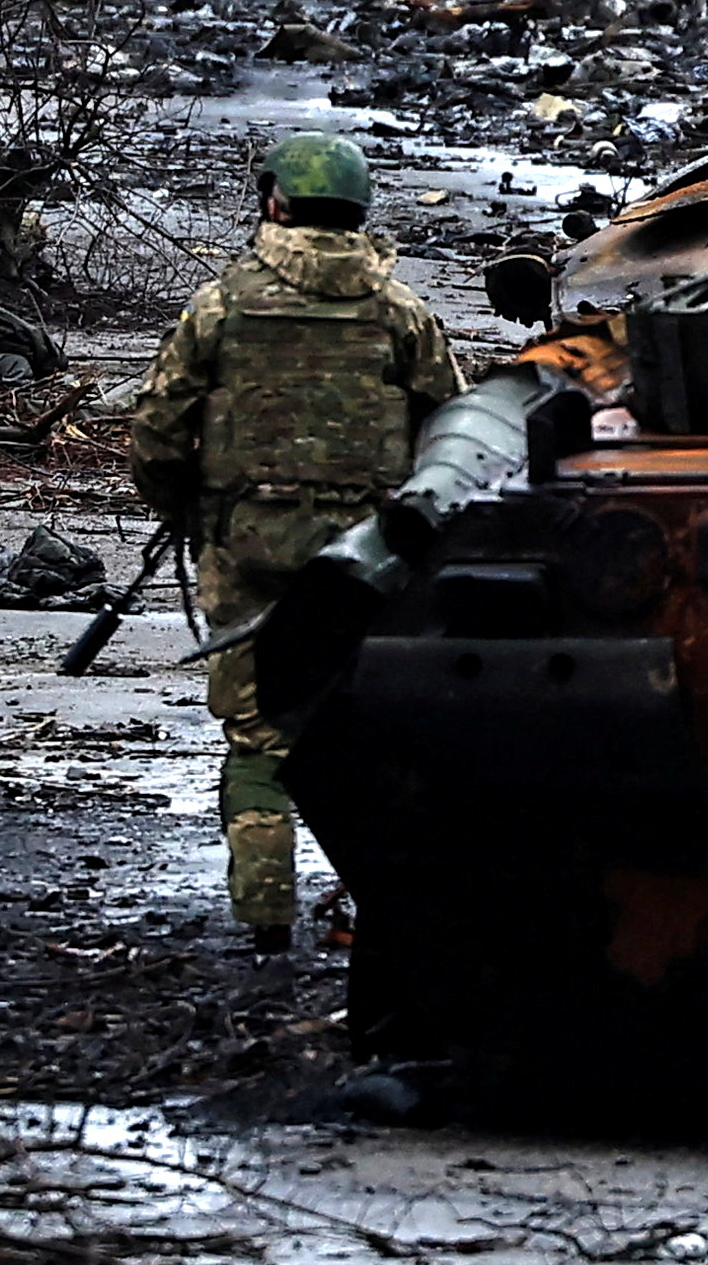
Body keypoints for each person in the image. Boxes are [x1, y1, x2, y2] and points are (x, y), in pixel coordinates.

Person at [126, 133, 460, 955]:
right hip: (371, 565)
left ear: (273, 201)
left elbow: (158, 434)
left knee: (258, 741)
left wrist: (196, 514)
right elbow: (451, 429)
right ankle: (380, 912)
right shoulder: (399, 310)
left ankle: (266, 921)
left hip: (249, 557)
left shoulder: (221, 305)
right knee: (371, 737)